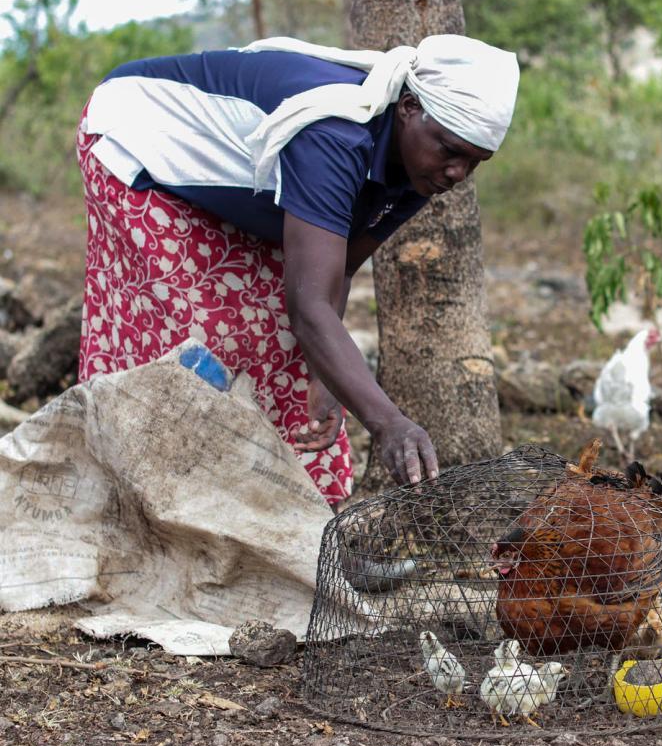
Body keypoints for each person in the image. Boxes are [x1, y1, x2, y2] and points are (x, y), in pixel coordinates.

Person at [76, 34, 520, 511]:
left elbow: (340, 269)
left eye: (475, 162)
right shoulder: (336, 135)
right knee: (203, 347)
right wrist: (387, 422)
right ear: (409, 107)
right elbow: (309, 308)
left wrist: (326, 380)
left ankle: (295, 528)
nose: (458, 173)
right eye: (451, 150)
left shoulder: (420, 169)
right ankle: (160, 512)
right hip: (139, 146)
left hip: (245, 191)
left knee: (289, 353)